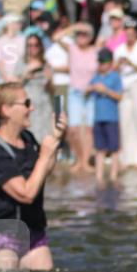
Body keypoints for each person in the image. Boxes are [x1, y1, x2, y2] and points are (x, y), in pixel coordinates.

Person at [0, 82, 66, 270]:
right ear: (6, 110)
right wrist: (44, 156)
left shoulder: (27, 139)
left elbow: (41, 175)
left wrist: (57, 140)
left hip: (33, 233)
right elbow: (26, 194)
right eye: (26, 103)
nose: (32, 108)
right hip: (2, 237)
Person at [54, 22, 100, 174]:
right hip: (75, 92)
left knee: (89, 129)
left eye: (85, 34)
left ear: (90, 37)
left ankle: (86, 162)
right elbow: (56, 37)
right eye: (79, 34)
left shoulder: (95, 51)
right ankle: (79, 159)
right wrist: (74, 27)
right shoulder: (72, 49)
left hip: (92, 93)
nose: (81, 36)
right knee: (73, 129)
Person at [114, 17, 137, 168]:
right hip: (123, 85)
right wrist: (118, 64)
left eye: (132, 33)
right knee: (124, 120)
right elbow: (113, 69)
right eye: (127, 33)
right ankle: (126, 157)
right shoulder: (119, 49)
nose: (129, 36)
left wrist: (130, 64)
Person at [88, 48, 123, 185]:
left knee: (114, 149)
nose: (101, 65)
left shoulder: (115, 77)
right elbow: (86, 90)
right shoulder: (96, 77)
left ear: (110, 62)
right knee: (99, 149)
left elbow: (120, 96)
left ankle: (114, 176)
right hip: (98, 118)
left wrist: (106, 90)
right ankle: (99, 176)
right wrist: (91, 88)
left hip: (112, 118)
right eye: (100, 62)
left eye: (104, 62)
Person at [18, 33, 54, 145]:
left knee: (45, 136)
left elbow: (52, 90)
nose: (33, 48)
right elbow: (14, 87)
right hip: (28, 104)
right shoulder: (21, 63)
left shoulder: (46, 63)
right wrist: (25, 75)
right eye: (30, 45)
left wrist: (49, 80)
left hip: (44, 104)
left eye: (36, 45)